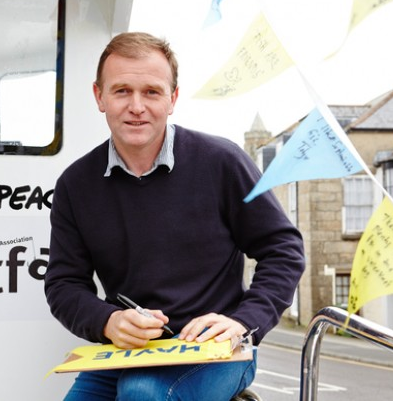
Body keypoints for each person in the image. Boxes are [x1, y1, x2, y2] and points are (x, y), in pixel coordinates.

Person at [45, 32, 305, 401]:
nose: (137, 106)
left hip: (219, 349)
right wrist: (109, 321)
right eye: (122, 91)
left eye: (151, 92)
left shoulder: (222, 162)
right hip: (128, 353)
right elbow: (64, 284)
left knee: (143, 395)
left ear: (173, 99)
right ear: (99, 96)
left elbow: (283, 248)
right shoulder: (75, 184)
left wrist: (244, 322)